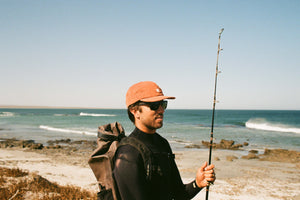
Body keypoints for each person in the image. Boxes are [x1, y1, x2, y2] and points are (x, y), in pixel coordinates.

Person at [113, 81, 216, 200]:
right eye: (154, 105)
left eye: (163, 104)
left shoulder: (162, 143)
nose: (161, 110)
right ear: (134, 111)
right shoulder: (128, 153)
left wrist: (197, 184)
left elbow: (178, 194)